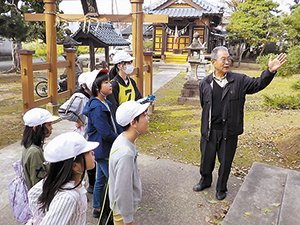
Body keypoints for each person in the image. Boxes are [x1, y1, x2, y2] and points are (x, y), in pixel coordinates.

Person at [193, 46, 287, 200]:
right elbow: (205, 105)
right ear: (213, 62)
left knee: (226, 162)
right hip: (209, 131)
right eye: (223, 59)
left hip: (229, 132)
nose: (227, 62)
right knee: (206, 159)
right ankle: (205, 181)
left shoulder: (239, 80)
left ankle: (221, 188)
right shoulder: (205, 83)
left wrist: (270, 71)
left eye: (228, 58)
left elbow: (258, 84)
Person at [27, 132, 99, 224]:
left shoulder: (59, 180)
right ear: (75, 166)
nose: (92, 152)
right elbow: (33, 195)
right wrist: (41, 220)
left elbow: (33, 194)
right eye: (87, 152)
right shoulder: (68, 197)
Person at [82, 71, 123, 218]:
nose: (110, 84)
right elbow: (105, 132)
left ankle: (97, 207)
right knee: (113, 179)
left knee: (101, 179)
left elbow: (115, 123)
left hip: (105, 148)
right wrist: (120, 141)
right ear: (97, 88)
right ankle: (112, 209)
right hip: (102, 150)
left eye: (109, 81)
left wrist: (122, 135)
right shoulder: (97, 109)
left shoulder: (106, 103)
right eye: (106, 82)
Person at [58, 69, 101, 193]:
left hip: (91, 131)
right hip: (83, 133)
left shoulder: (93, 97)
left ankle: (92, 184)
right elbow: (62, 111)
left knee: (92, 158)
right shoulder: (79, 97)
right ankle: (84, 185)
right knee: (83, 160)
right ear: (84, 86)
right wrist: (77, 119)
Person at [109, 100, 150, 225]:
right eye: (144, 115)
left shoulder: (123, 138)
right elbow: (123, 190)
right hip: (122, 214)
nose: (148, 118)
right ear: (133, 123)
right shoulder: (125, 154)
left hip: (121, 210)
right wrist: (128, 220)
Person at [21, 108, 59, 190]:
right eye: (48, 125)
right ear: (36, 128)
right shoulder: (34, 152)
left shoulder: (29, 146)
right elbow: (38, 182)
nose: (51, 128)